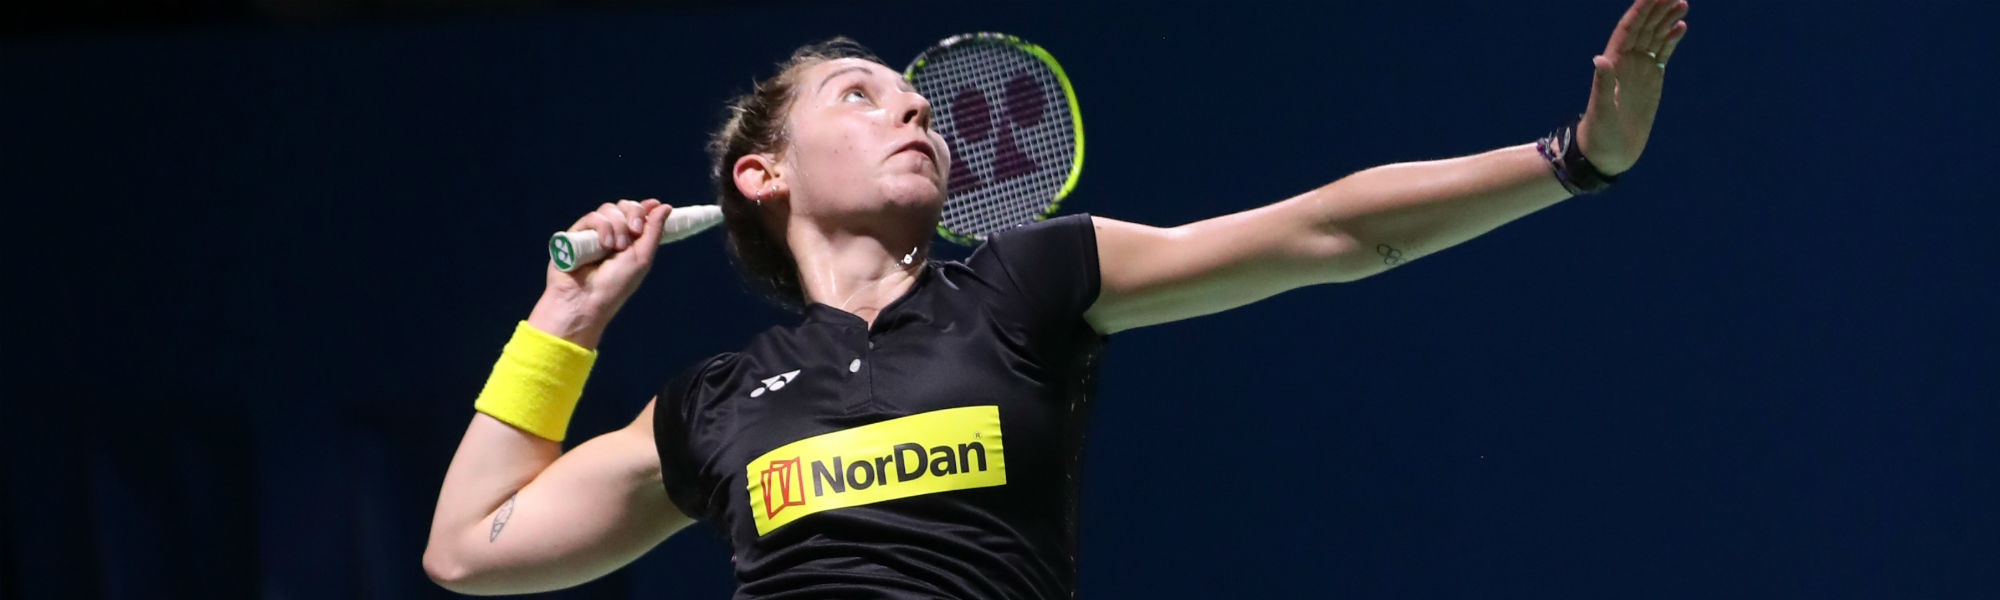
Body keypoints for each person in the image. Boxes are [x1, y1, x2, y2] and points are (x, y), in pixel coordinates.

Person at [423, 0, 1689, 596]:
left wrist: (1574, 158)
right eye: (860, 96)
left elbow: (1328, 229)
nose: (914, 111)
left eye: (916, 102)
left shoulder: (1022, 286)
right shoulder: (713, 405)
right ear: (762, 174)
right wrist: (567, 319)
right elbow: (468, 550)